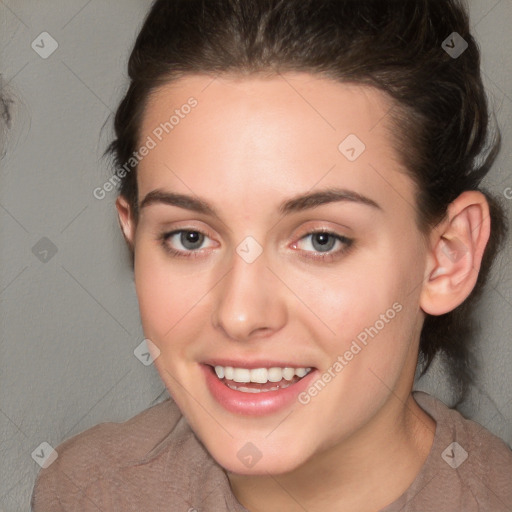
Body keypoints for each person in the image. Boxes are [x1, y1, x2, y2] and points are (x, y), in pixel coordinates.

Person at [31, 0, 512, 510]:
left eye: (321, 240)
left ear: (447, 256)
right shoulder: (88, 492)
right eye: (189, 237)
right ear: (133, 232)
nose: (240, 314)